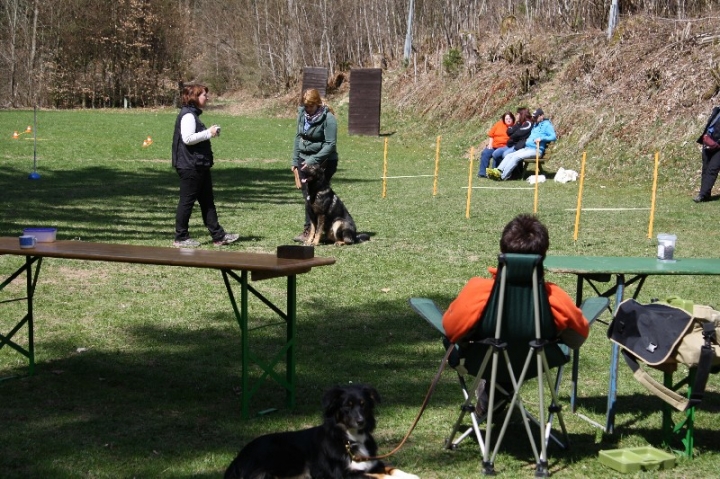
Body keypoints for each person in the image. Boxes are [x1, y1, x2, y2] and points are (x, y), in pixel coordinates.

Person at [442, 214, 589, 350]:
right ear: (543, 254)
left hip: (483, 365)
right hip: (534, 366)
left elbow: (450, 330)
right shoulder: (554, 297)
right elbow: (577, 340)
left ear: (502, 250)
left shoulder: (476, 291)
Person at [171, 83, 239, 248]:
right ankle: (181, 237)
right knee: (187, 201)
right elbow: (187, 138)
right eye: (204, 95)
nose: (207, 98)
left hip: (199, 165)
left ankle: (218, 235)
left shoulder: (192, 114)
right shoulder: (188, 116)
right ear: (195, 97)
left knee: (207, 201)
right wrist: (209, 132)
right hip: (190, 166)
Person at [291, 89, 339, 242]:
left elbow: (330, 145)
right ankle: (309, 231)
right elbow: (298, 137)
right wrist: (295, 160)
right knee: (308, 197)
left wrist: (313, 161)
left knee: (318, 199)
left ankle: (321, 230)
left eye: (310, 106)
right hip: (304, 159)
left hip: (324, 162)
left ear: (317, 104)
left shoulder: (328, 119)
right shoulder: (302, 115)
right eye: (305, 106)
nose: (307, 109)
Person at [487, 108, 556, 181]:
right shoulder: (536, 124)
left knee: (516, 157)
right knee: (509, 155)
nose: (534, 119)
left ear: (541, 116)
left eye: (536, 117)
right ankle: (498, 171)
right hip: (527, 148)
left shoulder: (547, 125)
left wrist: (541, 138)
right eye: (534, 117)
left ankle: (502, 176)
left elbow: (553, 136)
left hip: (536, 150)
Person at [693, 105, 720, 203]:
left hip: (718, 147)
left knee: (712, 169)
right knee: (705, 168)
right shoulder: (717, 111)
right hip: (708, 143)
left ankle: (702, 195)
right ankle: (706, 194)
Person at [477, 111, 514, 178]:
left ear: (512, 119)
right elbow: (491, 135)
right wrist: (490, 144)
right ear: (504, 119)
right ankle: (482, 173)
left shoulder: (514, 126)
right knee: (485, 153)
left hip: (504, 147)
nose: (508, 120)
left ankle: (494, 173)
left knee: (497, 154)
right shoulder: (498, 124)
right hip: (494, 146)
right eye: (506, 119)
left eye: (510, 118)